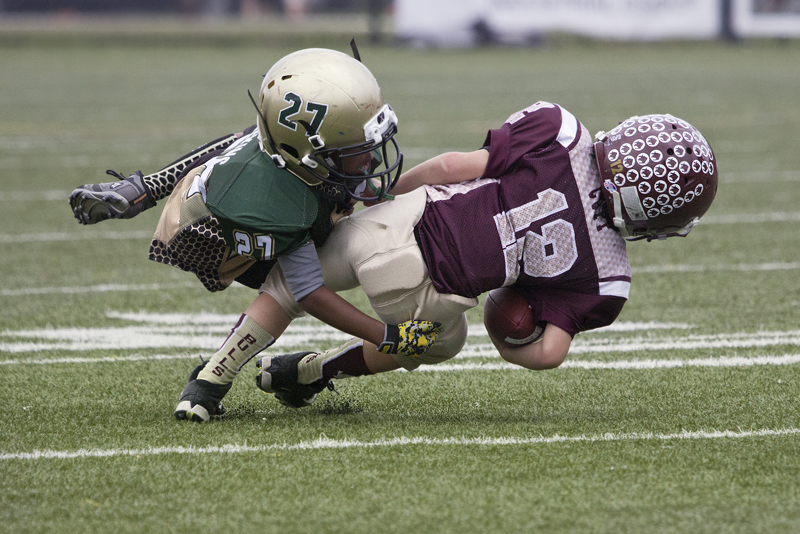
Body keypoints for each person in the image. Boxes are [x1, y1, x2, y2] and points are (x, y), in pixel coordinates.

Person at [251, 101, 718, 408]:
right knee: (442, 341)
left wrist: (384, 198)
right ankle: (312, 370)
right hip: (434, 296)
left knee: (296, 277)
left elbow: (450, 167)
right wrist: (502, 331)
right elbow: (550, 353)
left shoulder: (562, 132)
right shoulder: (608, 279)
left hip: (411, 220)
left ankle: (226, 351)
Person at [68, 47, 442, 422]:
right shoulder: (277, 201)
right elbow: (310, 293)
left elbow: (228, 143)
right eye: (355, 151)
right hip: (211, 236)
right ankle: (215, 379)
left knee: (335, 219)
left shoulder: (285, 144)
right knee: (296, 281)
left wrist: (148, 187)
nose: (371, 160)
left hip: (249, 196)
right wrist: (386, 335)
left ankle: (219, 382)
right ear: (308, 154)